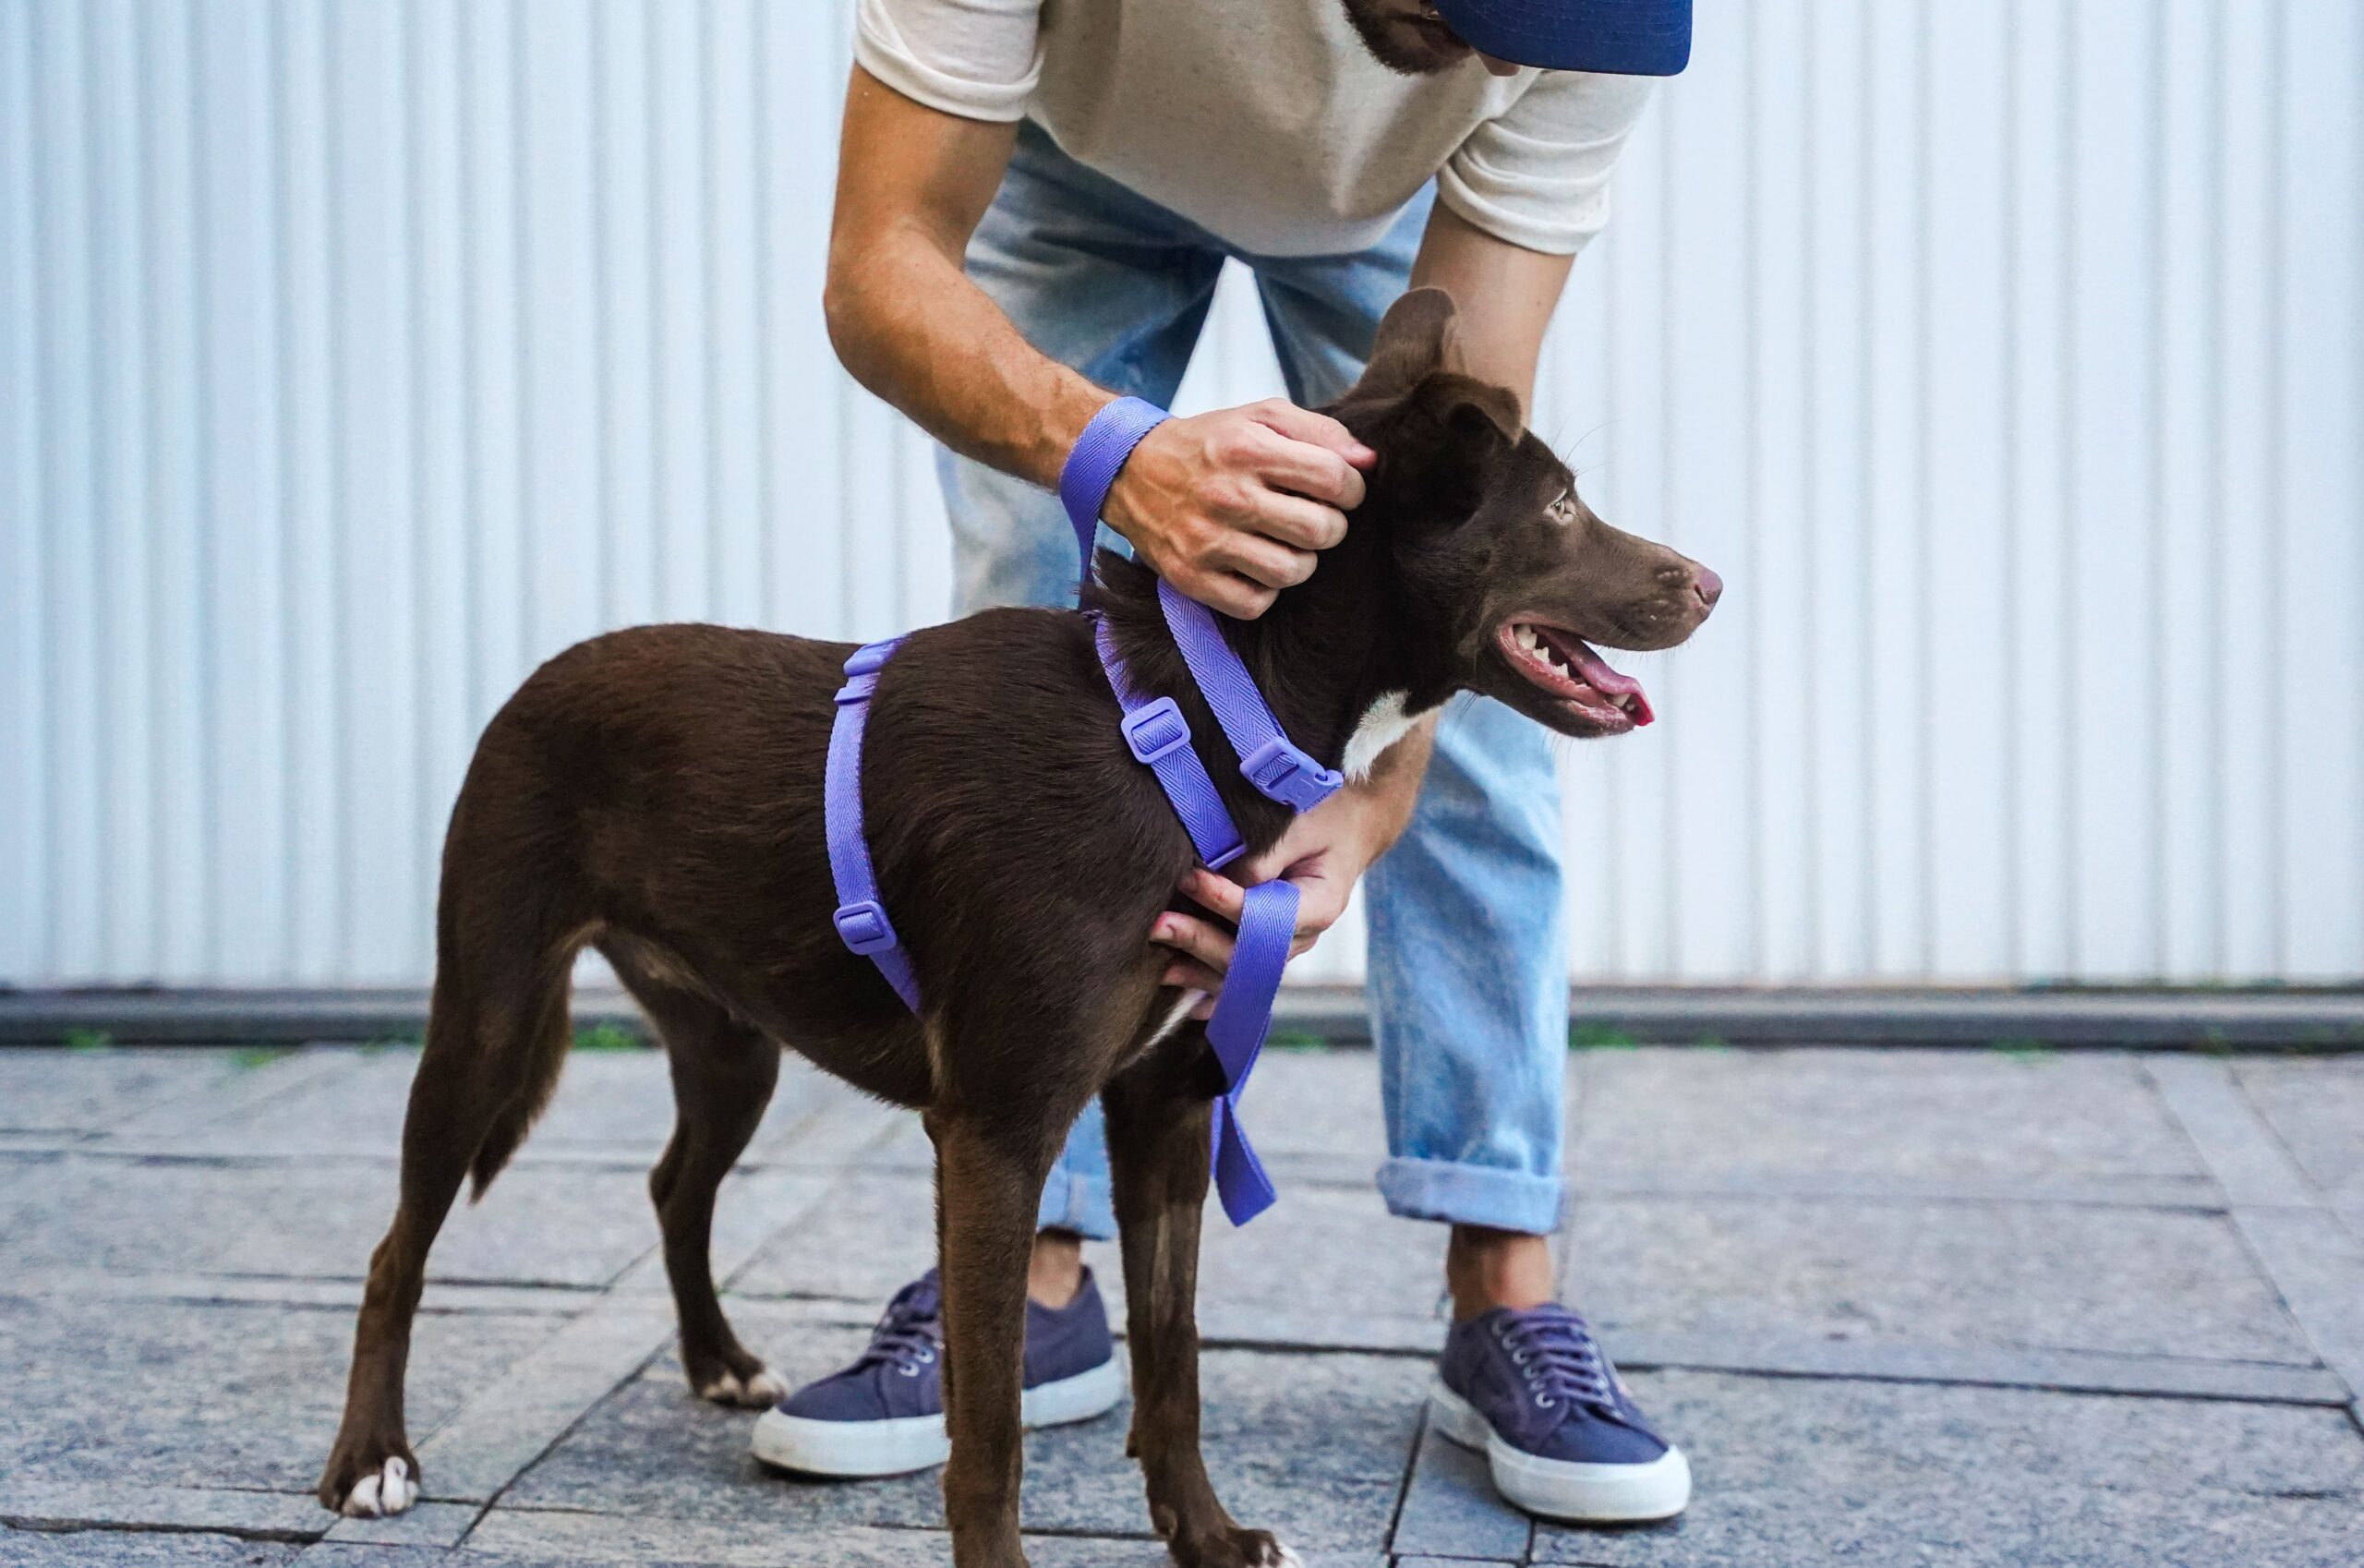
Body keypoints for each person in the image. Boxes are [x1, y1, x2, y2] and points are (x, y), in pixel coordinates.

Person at [754, 0, 1695, 1525]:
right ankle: (1033, 1265)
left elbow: (1468, 560)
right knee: (1029, 616)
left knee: (1484, 684)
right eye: (1476, 16)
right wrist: (1109, 452)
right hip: (1071, 154)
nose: (1510, 63)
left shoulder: (1582, 29)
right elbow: (878, 271)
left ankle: (1505, 1280)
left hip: (1401, 215)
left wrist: (1377, 790)